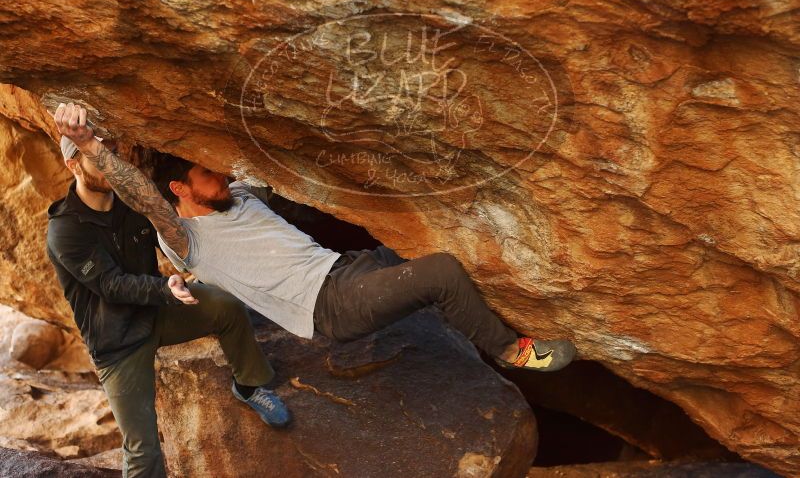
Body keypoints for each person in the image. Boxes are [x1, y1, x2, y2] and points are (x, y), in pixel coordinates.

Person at [52, 102, 577, 375]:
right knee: (441, 272)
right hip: (329, 306)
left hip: (349, 269)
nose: (222, 177)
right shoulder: (185, 238)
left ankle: (479, 324)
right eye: (208, 174)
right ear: (180, 189)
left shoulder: (243, 197)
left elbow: (274, 154)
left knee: (428, 250)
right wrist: (88, 143)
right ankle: (514, 354)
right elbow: (138, 194)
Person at [45, 129, 292, 478]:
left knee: (226, 306)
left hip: (159, 312)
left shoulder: (134, 201)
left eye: (112, 153)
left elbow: (178, 233)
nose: (110, 164)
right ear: (73, 165)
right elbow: (110, 285)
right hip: (118, 343)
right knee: (143, 451)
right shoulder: (65, 230)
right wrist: (166, 287)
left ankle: (249, 386)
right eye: (97, 157)